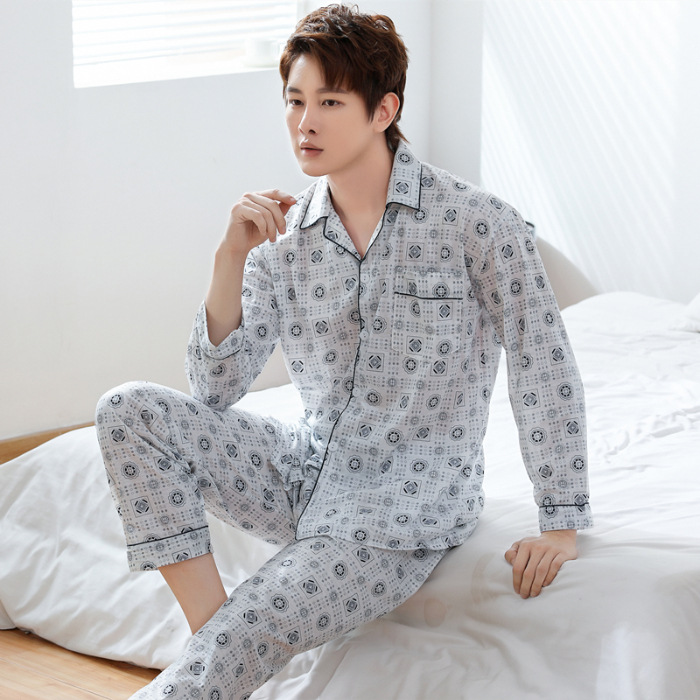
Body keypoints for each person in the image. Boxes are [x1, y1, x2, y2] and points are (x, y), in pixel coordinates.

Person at [96, 4, 592, 698]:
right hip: (305, 471)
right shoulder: (283, 240)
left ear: (384, 110)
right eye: (295, 100)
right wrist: (229, 257)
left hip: (402, 507)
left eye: (329, 102)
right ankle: (217, 643)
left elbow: (544, 367)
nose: (306, 122)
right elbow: (214, 390)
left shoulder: (478, 224)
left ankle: (218, 656)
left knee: (249, 627)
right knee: (127, 410)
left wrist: (561, 523)